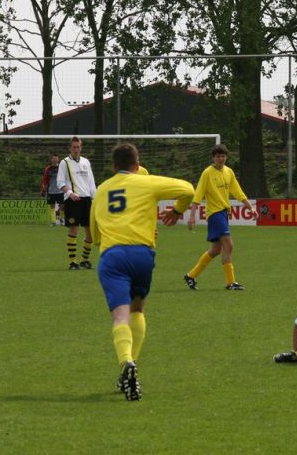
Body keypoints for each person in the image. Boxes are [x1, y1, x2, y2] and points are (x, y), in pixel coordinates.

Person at [90, 142, 194, 401]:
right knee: (137, 309)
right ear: (137, 165)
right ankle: (130, 367)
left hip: (113, 257)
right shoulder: (147, 182)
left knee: (120, 317)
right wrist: (177, 211)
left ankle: (126, 361)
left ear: (113, 167)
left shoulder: (101, 190)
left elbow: (94, 235)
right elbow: (188, 190)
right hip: (142, 255)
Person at [184, 144, 255, 291]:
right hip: (214, 213)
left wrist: (250, 207)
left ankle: (191, 275)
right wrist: (192, 216)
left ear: (226, 157)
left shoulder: (229, 172)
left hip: (223, 213)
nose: (221, 159)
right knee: (229, 245)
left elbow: (238, 192)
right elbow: (198, 195)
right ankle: (230, 282)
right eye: (218, 156)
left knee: (216, 249)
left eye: (223, 156)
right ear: (213, 157)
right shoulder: (207, 173)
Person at [57, 137, 97, 270]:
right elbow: (60, 183)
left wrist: (95, 198)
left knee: (90, 233)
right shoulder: (64, 162)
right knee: (74, 230)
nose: (76, 149)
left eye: (78, 147)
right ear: (70, 148)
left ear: (81, 147)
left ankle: (84, 260)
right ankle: (73, 262)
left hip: (87, 200)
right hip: (73, 200)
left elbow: (91, 182)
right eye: (74, 147)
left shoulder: (86, 162)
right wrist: (70, 193)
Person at [40, 153, 64, 226]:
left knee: (63, 205)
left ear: (58, 159)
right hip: (51, 191)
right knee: (52, 206)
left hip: (61, 190)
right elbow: (45, 180)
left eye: (56, 158)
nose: (55, 160)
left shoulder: (61, 168)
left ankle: (61, 219)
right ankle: (53, 221)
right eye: (53, 158)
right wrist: (43, 189)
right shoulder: (48, 169)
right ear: (51, 159)